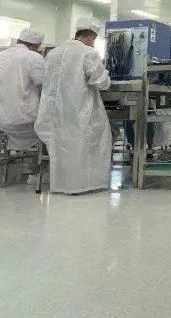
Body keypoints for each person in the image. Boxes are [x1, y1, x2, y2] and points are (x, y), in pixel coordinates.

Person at [34, 18, 112, 194]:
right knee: (92, 139)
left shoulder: (53, 53)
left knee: (60, 146)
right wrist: (107, 77)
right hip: (79, 110)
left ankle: (59, 184)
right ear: (91, 37)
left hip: (51, 114)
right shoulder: (88, 53)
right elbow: (101, 82)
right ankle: (82, 184)